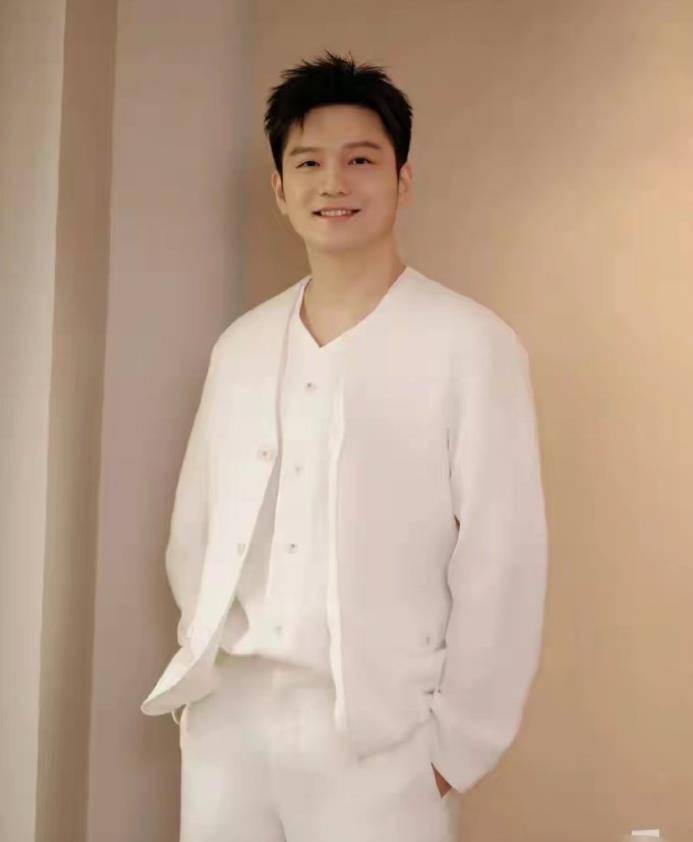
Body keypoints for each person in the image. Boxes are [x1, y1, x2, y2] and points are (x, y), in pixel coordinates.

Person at [141, 49, 549, 842]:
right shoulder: (242, 345)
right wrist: (202, 681)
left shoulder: (469, 344)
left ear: (402, 179)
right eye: (308, 163)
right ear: (279, 188)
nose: (333, 182)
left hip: (380, 734)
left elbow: (503, 556)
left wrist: (455, 745)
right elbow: (195, 530)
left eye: (360, 160)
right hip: (231, 723)